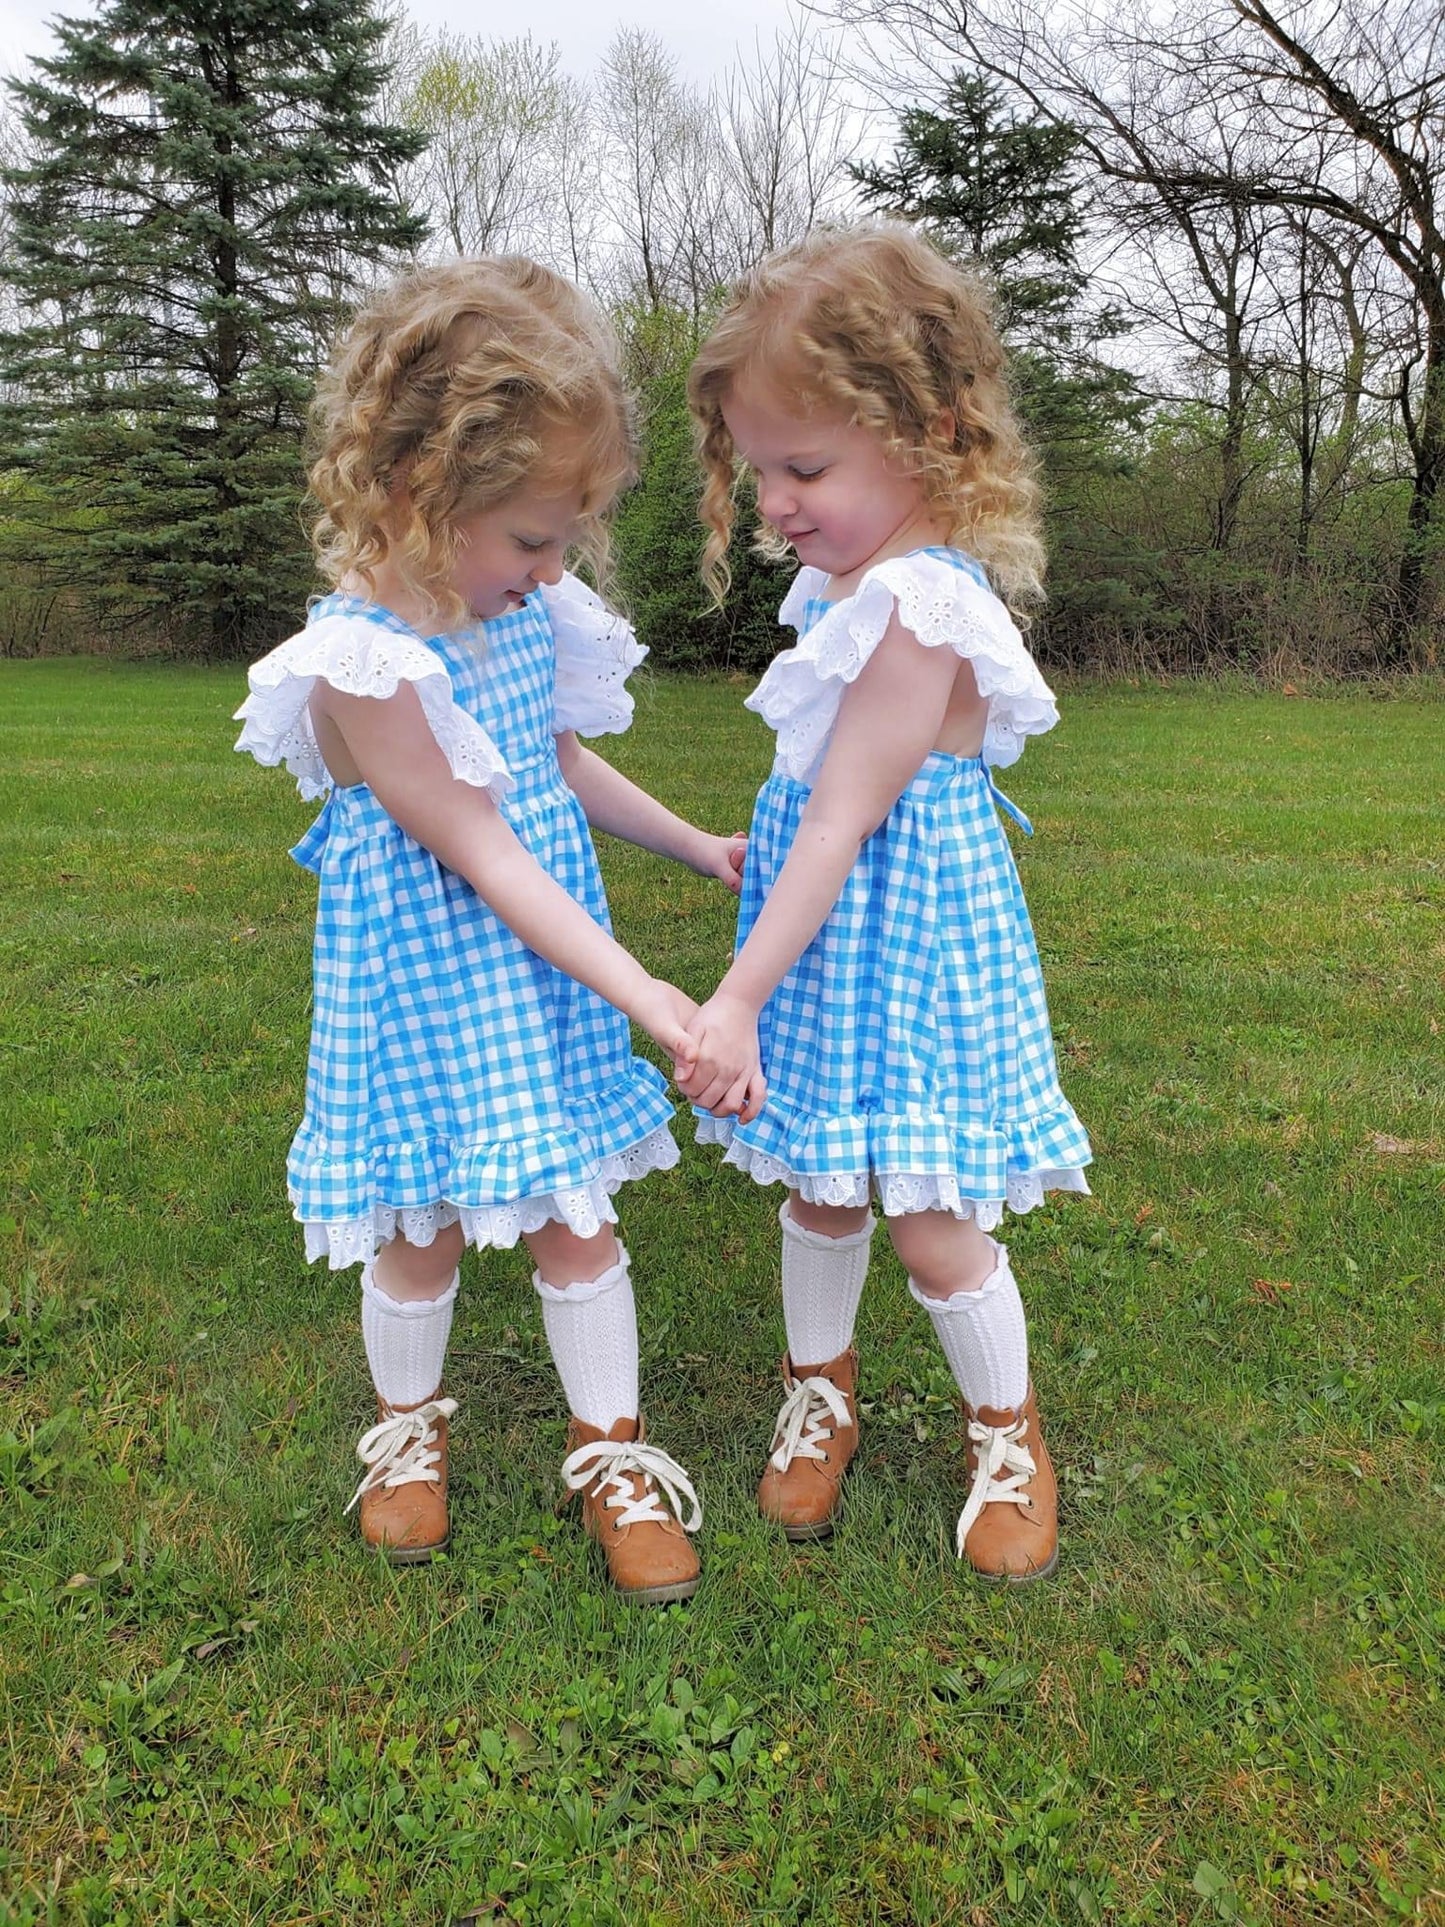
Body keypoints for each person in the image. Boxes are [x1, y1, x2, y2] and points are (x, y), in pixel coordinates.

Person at [235, 257, 746, 1603]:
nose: (553, 567)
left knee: (576, 1211)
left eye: (566, 538)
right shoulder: (362, 663)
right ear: (417, 491)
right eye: (531, 538)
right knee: (426, 1222)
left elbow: (552, 766)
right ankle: (406, 1436)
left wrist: (695, 846)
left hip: (538, 955)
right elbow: (475, 842)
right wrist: (646, 990)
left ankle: (613, 1455)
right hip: (427, 970)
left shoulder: (523, 613)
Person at [681, 223, 1093, 1581]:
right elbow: (818, 801)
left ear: (922, 434)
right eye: (760, 470)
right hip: (831, 927)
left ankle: (1005, 1430)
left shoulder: (918, 602)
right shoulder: (850, 586)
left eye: (805, 466)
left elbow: (853, 811)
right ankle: (821, 1394)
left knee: (924, 1211)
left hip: (900, 941)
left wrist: (734, 998)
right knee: (818, 1184)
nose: (779, 501)